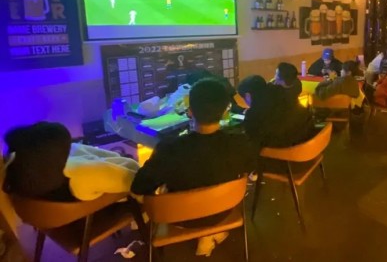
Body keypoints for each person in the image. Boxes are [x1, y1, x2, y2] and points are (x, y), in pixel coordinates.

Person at [131, 78, 258, 257]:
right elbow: (252, 168)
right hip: (224, 212)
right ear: (225, 111)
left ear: (190, 111)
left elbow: (138, 186)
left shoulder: (169, 149)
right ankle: (210, 234)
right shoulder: (240, 144)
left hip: (180, 218)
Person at [4, 122, 140, 202]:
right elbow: (136, 184)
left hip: (52, 207)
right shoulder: (82, 172)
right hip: (92, 208)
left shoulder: (21, 170)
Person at [237, 75, 314, 148]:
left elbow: (253, 138)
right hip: (306, 144)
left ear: (248, 95)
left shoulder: (254, 113)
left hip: (282, 149)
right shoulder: (282, 94)